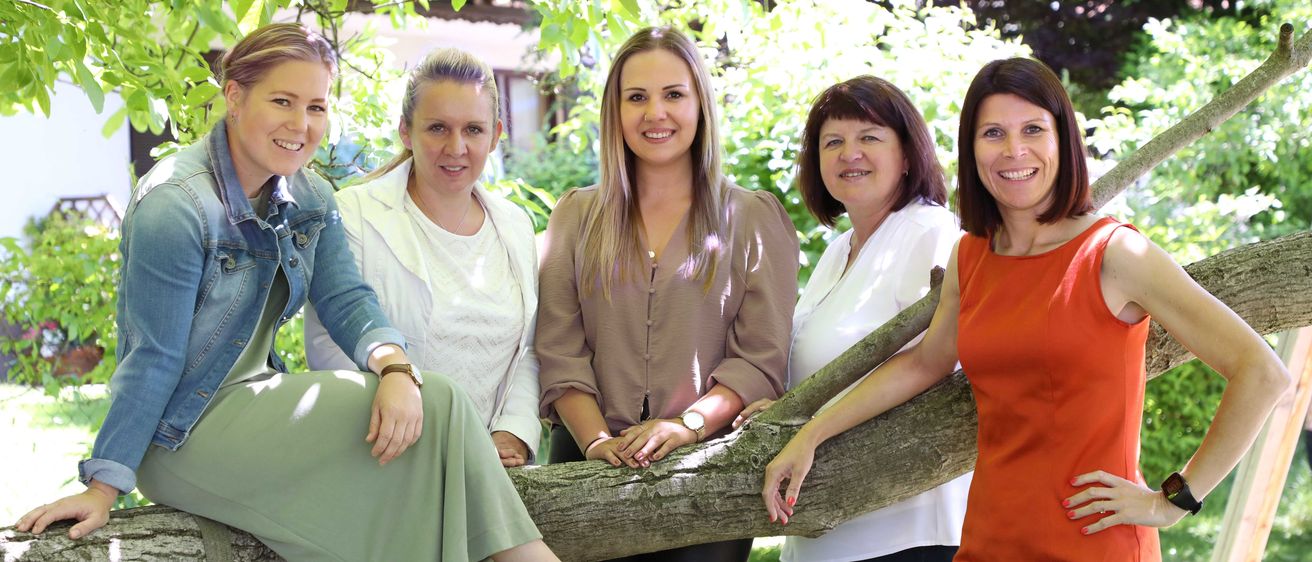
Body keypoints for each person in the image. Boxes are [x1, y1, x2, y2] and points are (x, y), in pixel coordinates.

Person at [14, 23, 556, 562]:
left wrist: (395, 368)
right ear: (233, 96)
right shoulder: (174, 205)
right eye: (283, 101)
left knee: (430, 402)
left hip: (257, 398)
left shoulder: (310, 195)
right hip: (179, 433)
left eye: (317, 107)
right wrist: (104, 485)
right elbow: (152, 358)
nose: (301, 124)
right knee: (436, 417)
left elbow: (347, 301)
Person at [760, 57, 1290, 561]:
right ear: (972, 149)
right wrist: (810, 433)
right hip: (990, 537)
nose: (1014, 150)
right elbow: (924, 363)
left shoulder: (1115, 253)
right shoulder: (970, 256)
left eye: (1033, 130)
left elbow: (1262, 372)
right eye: (994, 133)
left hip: (1092, 541)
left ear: (1063, 140)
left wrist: (1172, 499)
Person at [536, 26, 799, 562]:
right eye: (637, 97)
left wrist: (687, 426)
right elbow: (559, 348)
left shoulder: (750, 217)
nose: (656, 112)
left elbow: (761, 358)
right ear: (615, 112)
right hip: (585, 469)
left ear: (700, 102)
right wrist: (594, 444)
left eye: (673, 94)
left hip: (707, 473)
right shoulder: (576, 217)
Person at [735, 76, 969, 562]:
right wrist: (785, 409)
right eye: (833, 142)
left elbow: (933, 363)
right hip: (832, 525)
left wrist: (812, 431)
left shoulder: (929, 232)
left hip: (907, 530)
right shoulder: (839, 249)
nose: (849, 153)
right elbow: (833, 368)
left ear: (907, 155)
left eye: (869, 137)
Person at [303, 47, 541, 467]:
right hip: (387, 462)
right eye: (437, 128)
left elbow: (528, 348)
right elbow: (330, 345)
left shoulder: (515, 226)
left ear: (496, 134)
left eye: (473, 129)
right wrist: (432, 443)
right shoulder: (355, 214)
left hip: (496, 467)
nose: (456, 147)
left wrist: (514, 431)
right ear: (406, 132)